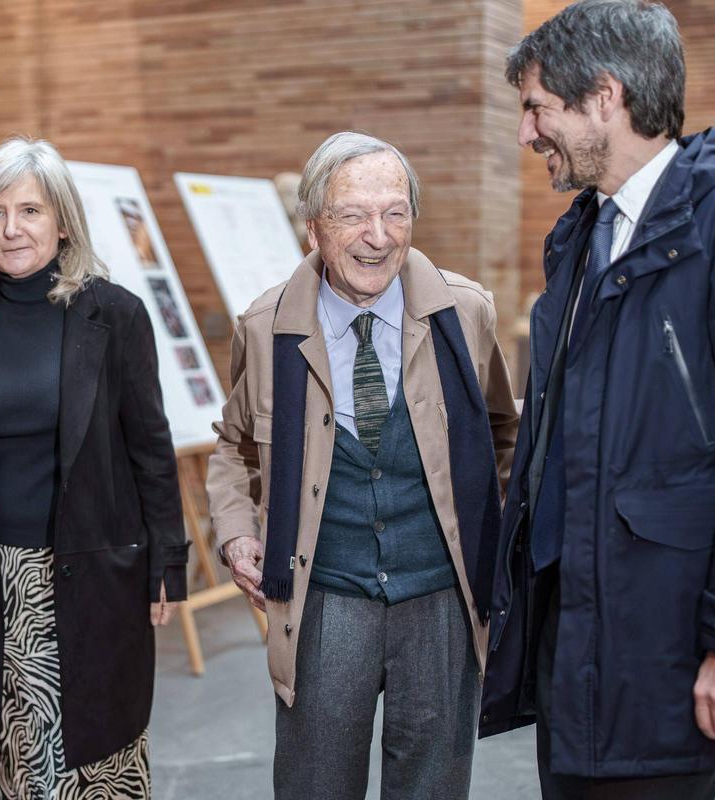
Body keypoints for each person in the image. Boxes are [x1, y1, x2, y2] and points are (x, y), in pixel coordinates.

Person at [480, 2, 715, 798]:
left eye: (537, 107)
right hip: (580, 630)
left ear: (605, 97)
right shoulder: (583, 234)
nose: (525, 133)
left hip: (669, 642)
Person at [207, 131, 519, 800]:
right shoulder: (266, 328)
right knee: (315, 784)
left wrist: (504, 550)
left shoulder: (465, 314)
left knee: (432, 787)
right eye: (353, 214)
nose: (378, 235)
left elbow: (503, 434)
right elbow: (233, 447)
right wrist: (235, 534)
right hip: (325, 598)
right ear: (315, 223)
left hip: (439, 599)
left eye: (396, 212)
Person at [0, 136, 189, 799]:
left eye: (29, 211)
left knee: (104, 755)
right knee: (24, 759)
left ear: (62, 221)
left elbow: (151, 447)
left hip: (95, 567)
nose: (11, 229)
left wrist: (165, 565)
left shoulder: (114, 316)